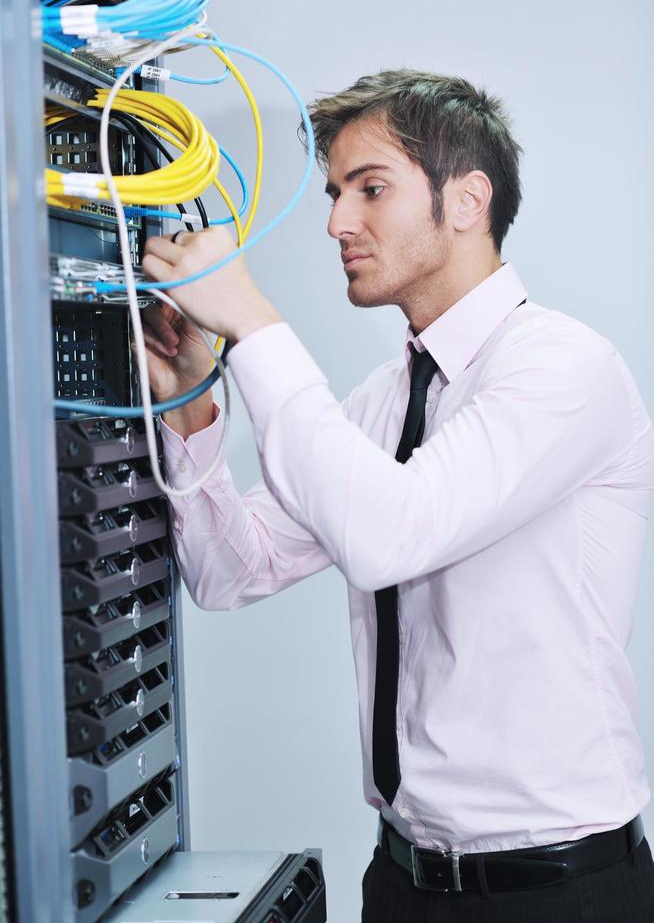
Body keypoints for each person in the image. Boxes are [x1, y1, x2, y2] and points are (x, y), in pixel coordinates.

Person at [140, 70, 654, 922]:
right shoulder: (386, 399)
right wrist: (194, 399)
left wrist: (255, 323)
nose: (339, 221)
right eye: (337, 193)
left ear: (466, 200)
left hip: (561, 894)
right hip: (404, 885)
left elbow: (390, 534)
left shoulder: (565, 368)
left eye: (370, 188)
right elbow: (230, 571)